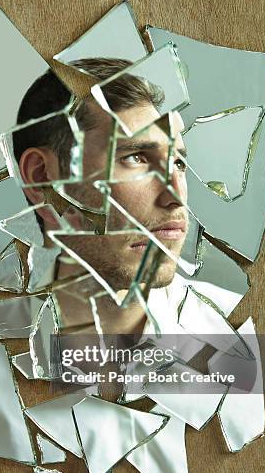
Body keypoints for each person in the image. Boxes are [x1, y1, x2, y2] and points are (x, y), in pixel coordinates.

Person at [14, 58, 191, 336]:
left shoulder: (233, 334)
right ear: (42, 177)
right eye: (136, 157)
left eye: (178, 163)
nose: (176, 196)